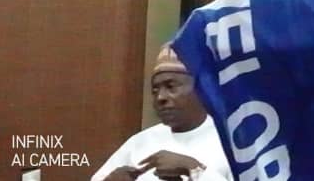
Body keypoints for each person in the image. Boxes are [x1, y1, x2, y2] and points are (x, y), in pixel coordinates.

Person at [91, 45, 232, 181]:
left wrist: (193, 168)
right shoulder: (140, 142)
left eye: (171, 87)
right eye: (155, 90)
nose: (160, 97)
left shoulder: (230, 141)